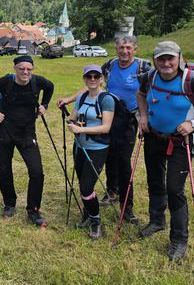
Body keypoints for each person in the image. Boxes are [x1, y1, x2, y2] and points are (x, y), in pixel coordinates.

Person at [137, 41, 194, 261]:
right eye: (161, 58)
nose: (166, 63)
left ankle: (179, 240)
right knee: (155, 181)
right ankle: (157, 221)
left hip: (181, 142)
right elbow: (141, 95)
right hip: (154, 137)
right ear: (154, 60)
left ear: (179, 58)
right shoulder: (149, 77)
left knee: (174, 189)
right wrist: (142, 116)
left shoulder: (192, 81)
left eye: (170, 58)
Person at [58, 35, 151, 221]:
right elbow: (93, 84)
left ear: (135, 49)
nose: (124, 51)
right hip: (108, 116)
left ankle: (127, 208)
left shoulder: (143, 68)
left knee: (123, 163)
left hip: (129, 120)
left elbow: (151, 90)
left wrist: (145, 117)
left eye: (128, 48)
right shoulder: (110, 65)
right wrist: (69, 99)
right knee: (108, 157)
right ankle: (112, 192)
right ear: (116, 49)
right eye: (121, 48)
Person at [0, 55, 54, 226]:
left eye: (29, 69)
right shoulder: (6, 82)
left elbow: (50, 87)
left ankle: (33, 210)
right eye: (21, 69)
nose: (25, 72)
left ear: (32, 69)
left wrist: (45, 105)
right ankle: (9, 204)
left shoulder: (37, 82)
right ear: (15, 69)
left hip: (27, 133)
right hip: (5, 132)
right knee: (4, 170)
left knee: (37, 171)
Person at [66, 65, 115, 239]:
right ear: (85, 79)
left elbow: (106, 127)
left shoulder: (106, 99)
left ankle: (96, 221)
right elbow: (74, 116)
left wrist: (81, 131)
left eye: (96, 76)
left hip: (97, 149)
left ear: (101, 79)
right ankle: (88, 212)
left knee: (87, 187)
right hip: (79, 146)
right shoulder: (82, 97)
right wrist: (70, 121)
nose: (92, 79)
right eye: (89, 76)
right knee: (82, 183)